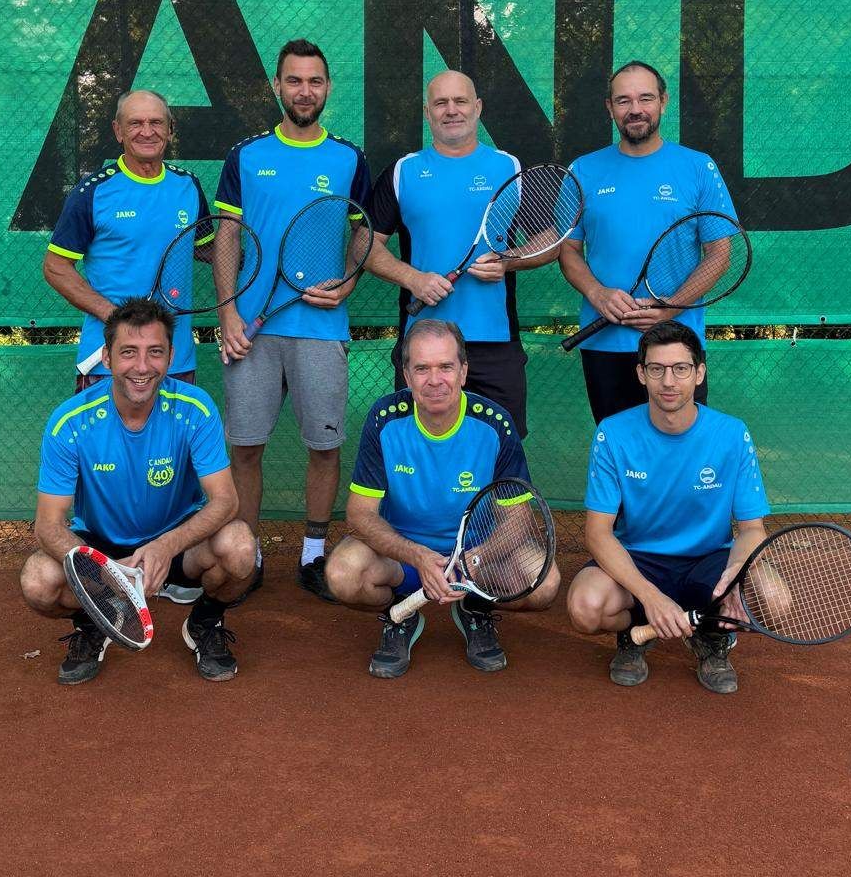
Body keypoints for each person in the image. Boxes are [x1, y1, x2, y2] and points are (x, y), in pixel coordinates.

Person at [19, 298, 258, 685]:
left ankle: (204, 621)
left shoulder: (195, 408)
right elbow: (48, 526)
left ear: (171, 357)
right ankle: (95, 621)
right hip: (100, 546)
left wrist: (166, 546)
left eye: (155, 353)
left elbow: (226, 499)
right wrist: (105, 573)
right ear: (108, 358)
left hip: (179, 543)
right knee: (38, 581)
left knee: (241, 547)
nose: (143, 367)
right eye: (129, 353)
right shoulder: (70, 422)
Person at [215, 39, 371, 603]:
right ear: (277, 87)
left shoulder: (350, 158)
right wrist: (229, 310)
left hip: (321, 330)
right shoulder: (247, 155)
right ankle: (247, 551)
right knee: (246, 447)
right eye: (294, 81)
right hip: (252, 329)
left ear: (328, 88)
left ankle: (312, 553)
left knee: (323, 447)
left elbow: (363, 232)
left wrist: (350, 282)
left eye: (315, 81)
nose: (305, 91)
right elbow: (227, 234)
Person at [324, 319, 561, 678]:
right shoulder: (384, 419)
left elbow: (519, 518)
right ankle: (401, 613)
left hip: (474, 562)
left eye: (446, 367)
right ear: (406, 375)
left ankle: (475, 608)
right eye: (422, 368)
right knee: (342, 574)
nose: (435, 380)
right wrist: (417, 556)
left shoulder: (495, 422)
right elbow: (360, 516)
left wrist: (474, 560)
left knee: (544, 585)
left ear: (463, 371)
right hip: (401, 556)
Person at [566, 321, 769, 695]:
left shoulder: (732, 433)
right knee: (585, 606)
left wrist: (737, 574)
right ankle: (635, 632)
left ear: (699, 373)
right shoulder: (613, 433)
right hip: (640, 558)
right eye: (657, 369)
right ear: (641, 374)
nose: (669, 382)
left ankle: (710, 636)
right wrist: (650, 596)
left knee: (773, 599)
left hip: (710, 558)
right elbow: (597, 532)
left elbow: (752, 529)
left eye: (681, 369)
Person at [365, 70, 549, 437]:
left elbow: (549, 239)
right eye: (441, 103)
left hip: (495, 343)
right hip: (422, 343)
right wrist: (413, 279)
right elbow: (365, 247)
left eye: (461, 101)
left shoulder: (509, 167)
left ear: (477, 108)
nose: (452, 110)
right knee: (418, 449)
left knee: (502, 456)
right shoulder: (403, 172)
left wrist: (509, 261)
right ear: (426, 111)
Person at [559, 60, 738, 423]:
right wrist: (597, 294)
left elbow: (719, 254)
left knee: (681, 454)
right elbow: (568, 249)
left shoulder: (698, 167)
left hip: (677, 344)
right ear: (610, 108)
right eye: (623, 101)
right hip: (604, 344)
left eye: (645, 98)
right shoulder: (583, 171)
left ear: (663, 102)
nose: (635, 109)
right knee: (619, 452)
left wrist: (671, 307)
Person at [43, 89, 211, 389]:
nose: (147, 132)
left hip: (176, 360)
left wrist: (260, 258)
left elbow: (207, 249)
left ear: (170, 129)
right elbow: (55, 267)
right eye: (135, 123)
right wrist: (115, 316)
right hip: (110, 362)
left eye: (157, 123)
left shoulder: (188, 186)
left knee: (173, 439)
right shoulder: (92, 192)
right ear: (118, 131)